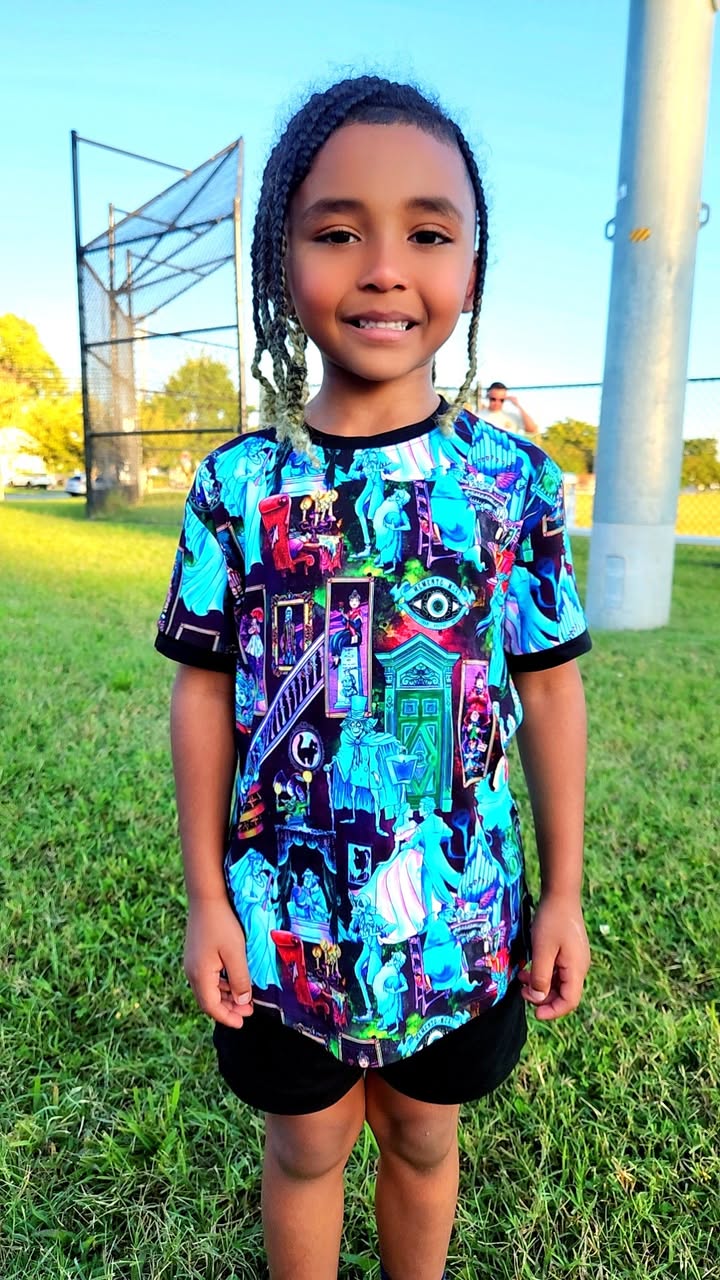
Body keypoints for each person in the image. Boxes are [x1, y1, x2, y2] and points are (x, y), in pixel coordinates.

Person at [156, 75, 592, 1280]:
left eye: (429, 233)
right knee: (305, 1149)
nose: (386, 267)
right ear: (280, 259)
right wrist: (206, 896)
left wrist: (563, 891)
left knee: (423, 1137)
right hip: (280, 924)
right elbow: (203, 690)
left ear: (474, 265)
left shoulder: (515, 484)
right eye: (339, 230)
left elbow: (551, 688)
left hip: (460, 921)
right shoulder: (237, 486)